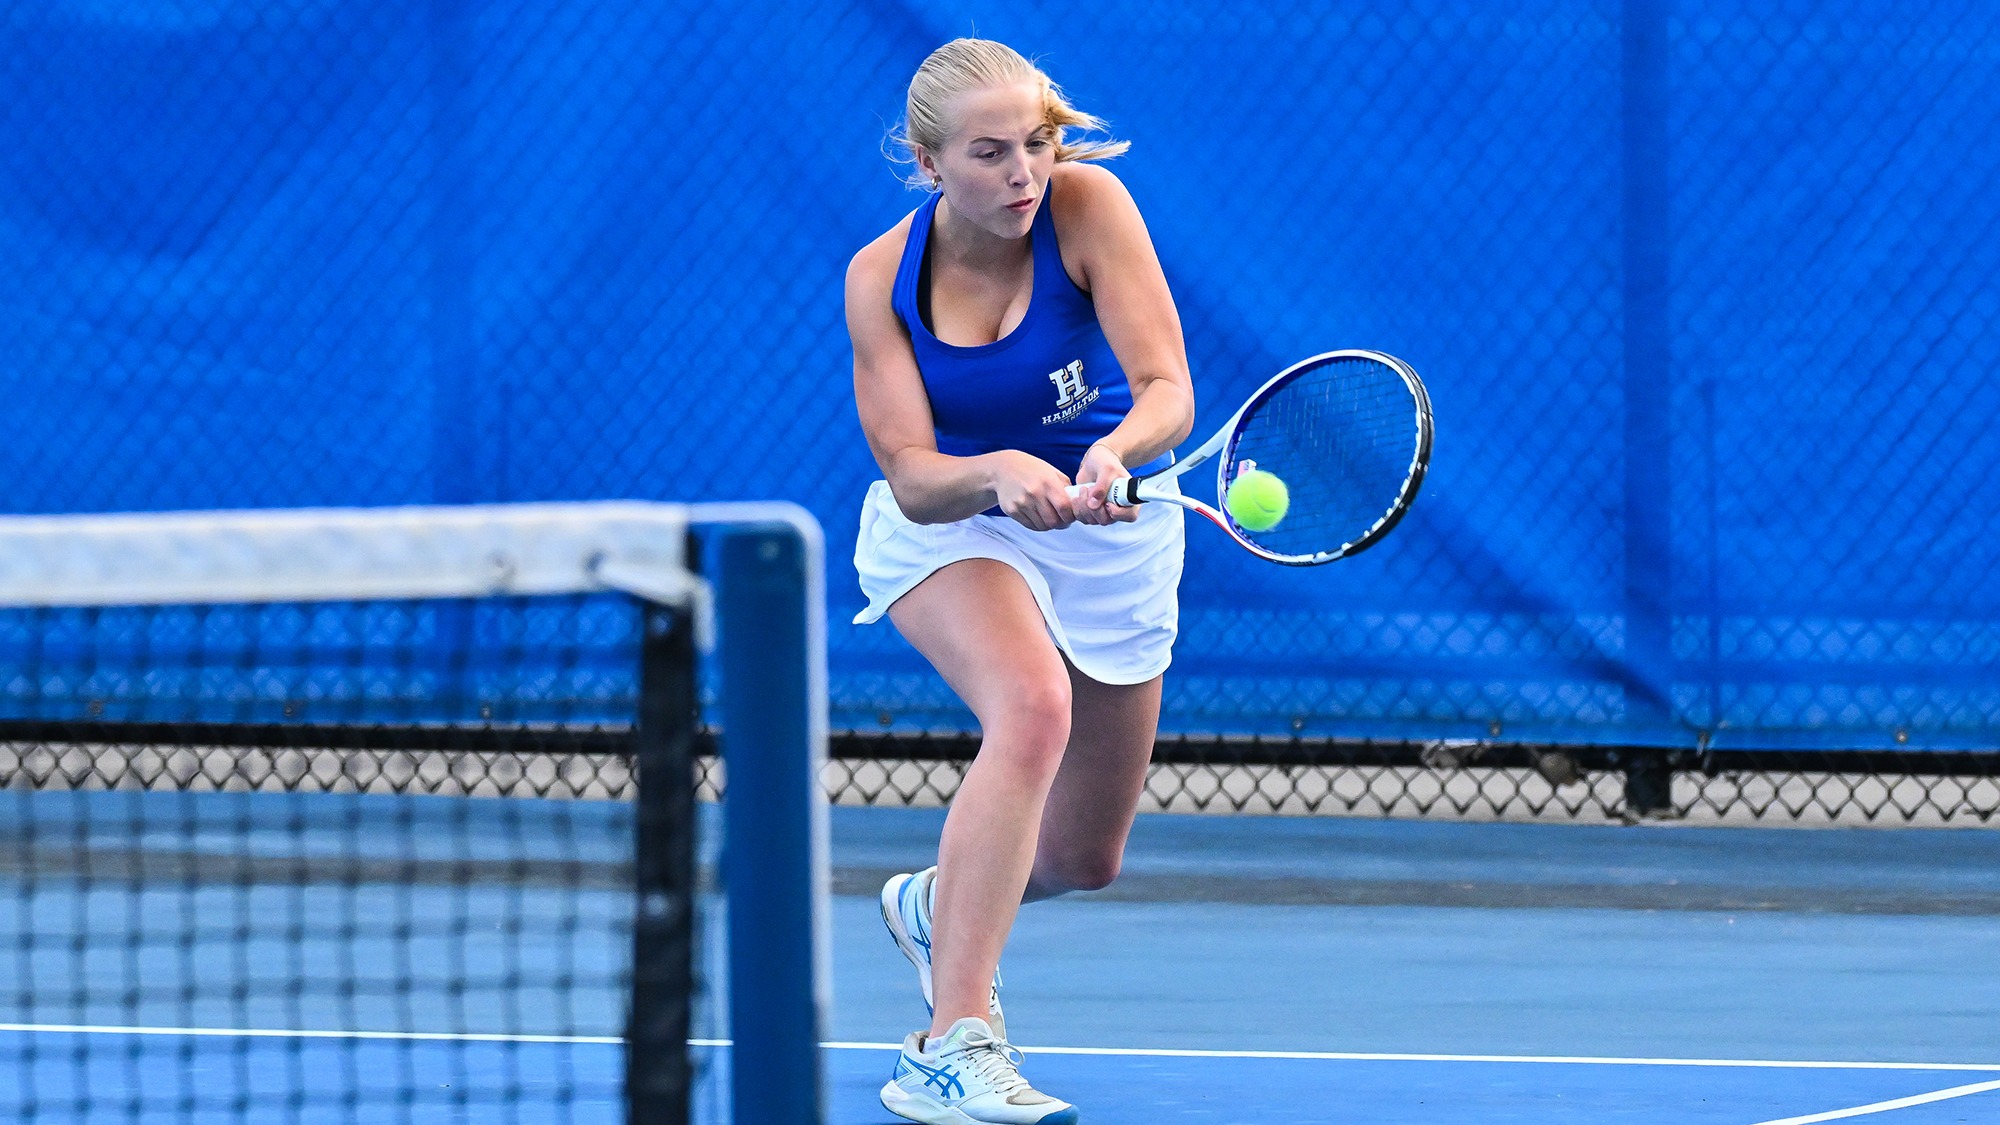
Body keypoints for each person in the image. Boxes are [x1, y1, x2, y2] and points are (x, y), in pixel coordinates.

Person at [845, 37, 1194, 1125]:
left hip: (1114, 532)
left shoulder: (1090, 210)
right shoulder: (876, 280)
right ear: (927, 160)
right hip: (957, 532)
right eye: (989, 153)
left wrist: (1116, 453)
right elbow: (909, 475)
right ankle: (950, 1044)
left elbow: (1165, 388)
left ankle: (941, 905)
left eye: (1036, 145)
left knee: (1084, 857)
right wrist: (998, 472)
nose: (1022, 176)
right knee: (1030, 709)